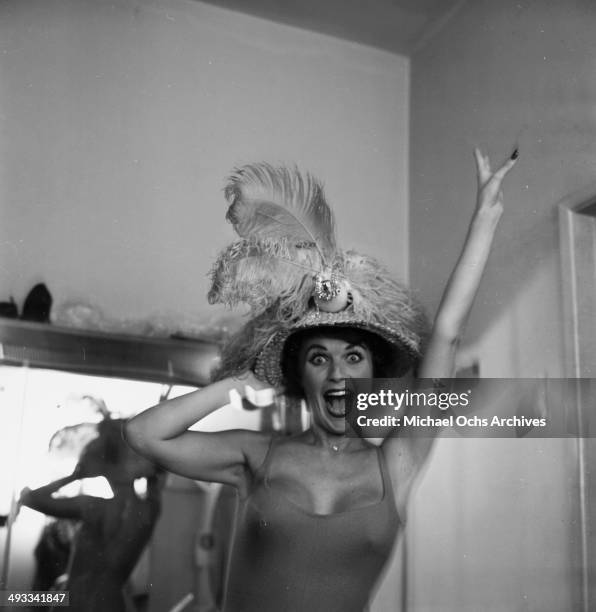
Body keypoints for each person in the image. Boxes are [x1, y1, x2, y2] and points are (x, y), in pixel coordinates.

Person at [125, 149, 517, 612]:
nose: (338, 373)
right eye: (319, 358)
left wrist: (484, 222)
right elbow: (143, 434)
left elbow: (446, 338)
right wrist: (237, 385)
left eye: (354, 357)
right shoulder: (256, 455)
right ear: (299, 376)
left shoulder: (397, 463)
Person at [20, 418, 163, 612]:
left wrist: (74, 476)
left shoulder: (94, 506)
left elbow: (31, 499)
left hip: (79, 603)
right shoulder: (150, 509)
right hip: (113, 604)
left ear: (106, 464)